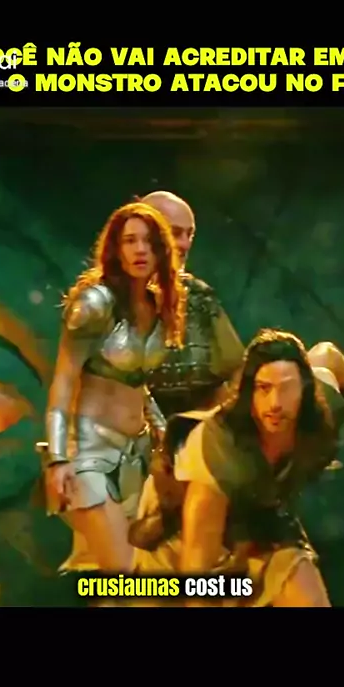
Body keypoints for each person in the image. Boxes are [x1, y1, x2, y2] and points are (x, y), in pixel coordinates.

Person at [171, 329, 344, 606]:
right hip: (186, 539)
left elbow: (329, 355)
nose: (276, 403)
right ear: (249, 392)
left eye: (287, 388)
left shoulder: (318, 409)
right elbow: (195, 571)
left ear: (305, 388)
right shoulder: (220, 455)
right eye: (264, 388)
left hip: (266, 522)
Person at [44, 201, 186, 571]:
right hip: (89, 454)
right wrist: (58, 458)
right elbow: (63, 383)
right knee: (126, 577)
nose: (140, 250)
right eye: (130, 240)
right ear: (116, 249)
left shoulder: (159, 306)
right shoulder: (94, 305)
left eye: (149, 242)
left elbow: (136, 384)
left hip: (137, 457)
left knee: (136, 578)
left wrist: (165, 436)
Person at [128, 191, 244, 575]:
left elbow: (237, 372)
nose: (183, 243)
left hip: (199, 441)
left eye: (189, 234)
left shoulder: (198, 297)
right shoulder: (110, 301)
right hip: (134, 446)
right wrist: (165, 445)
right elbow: (121, 387)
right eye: (173, 232)